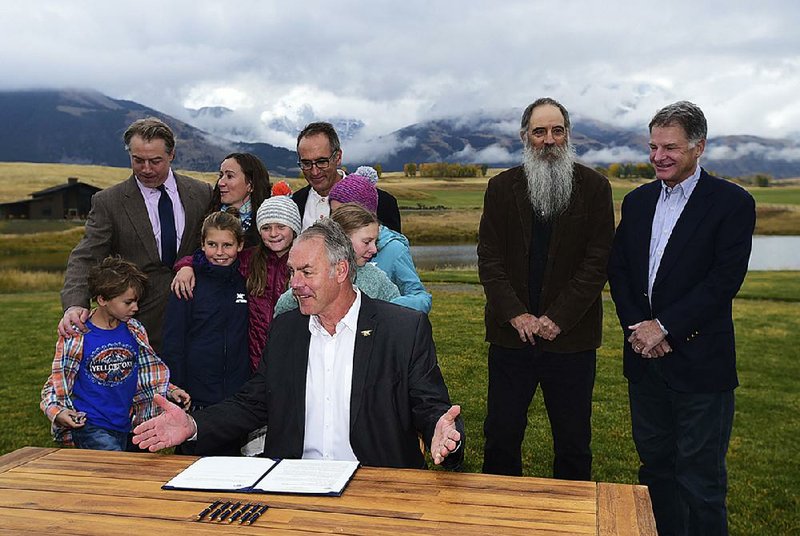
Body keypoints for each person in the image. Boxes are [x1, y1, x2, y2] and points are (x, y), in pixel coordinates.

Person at [132, 219, 464, 470]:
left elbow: (430, 405)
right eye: (292, 272)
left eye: (306, 272)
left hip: (377, 482)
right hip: (294, 481)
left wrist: (442, 429)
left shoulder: (401, 329)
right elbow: (254, 402)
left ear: (341, 270)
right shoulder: (288, 329)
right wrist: (193, 425)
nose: (295, 285)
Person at [608, 101, 755, 536]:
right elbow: (619, 270)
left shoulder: (731, 203)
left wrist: (665, 327)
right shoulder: (637, 201)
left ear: (699, 147)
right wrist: (640, 329)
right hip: (645, 362)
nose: (658, 157)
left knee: (701, 481)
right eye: (653, 147)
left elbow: (723, 281)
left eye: (669, 147)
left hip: (700, 366)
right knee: (655, 472)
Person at [477, 97, 615, 480]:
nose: (549, 139)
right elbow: (489, 260)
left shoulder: (595, 188)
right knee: (501, 439)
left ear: (567, 135)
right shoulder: (501, 188)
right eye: (540, 131)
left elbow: (597, 262)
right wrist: (516, 314)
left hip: (572, 341)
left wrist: (558, 318)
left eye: (557, 130)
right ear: (526, 137)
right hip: (510, 338)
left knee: (573, 444)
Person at [58, 117, 213, 352]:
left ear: (171, 155)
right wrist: (74, 304)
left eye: (155, 161)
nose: (146, 169)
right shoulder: (109, 202)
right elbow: (87, 256)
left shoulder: (202, 193)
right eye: (138, 160)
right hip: (138, 326)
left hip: (199, 320)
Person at [41, 257, 190, 451]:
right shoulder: (77, 335)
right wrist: (58, 412)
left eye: (137, 301)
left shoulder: (134, 330)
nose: (135, 308)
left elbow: (144, 373)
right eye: (128, 302)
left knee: (131, 474)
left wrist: (170, 390)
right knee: (113, 472)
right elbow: (57, 380)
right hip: (91, 426)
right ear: (102, 299)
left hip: (128, 424)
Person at [172, 194, 301, 372]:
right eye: (266, 227)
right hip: (253, 361)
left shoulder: (303, 262)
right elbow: (213, 257)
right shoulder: (249, 259)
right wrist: (185, 266)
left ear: (294, 228)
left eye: (281, 227)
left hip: (293, 357)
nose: (273, 233)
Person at [328, 173, 432, 313]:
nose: (336, 221)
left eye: (344, 212)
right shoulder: (330, 247)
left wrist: (383, 308)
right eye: (333, 212)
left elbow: (421, 298)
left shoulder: (394, 248)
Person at [274, 202, 400, 315]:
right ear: (343, 239)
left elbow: (397, 311)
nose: (374, 249)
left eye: (375, 241)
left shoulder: (375, 278)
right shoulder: (307, 281)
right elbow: (283, 309)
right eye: (367, 242)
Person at [292, 122, 402, 232]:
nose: (314, 171)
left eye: (322, 162)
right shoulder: (294, 203)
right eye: (306, 163)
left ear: (338, 157)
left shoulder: (382, 202)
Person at [209, 152, 271, 248]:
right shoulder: (209, 217)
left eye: (229, 176)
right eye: (221, 175)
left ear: (250, 185)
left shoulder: (268, 224)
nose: (220, 183)